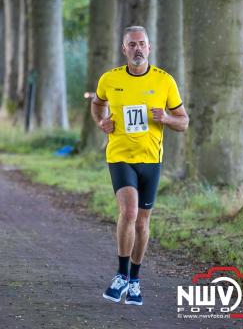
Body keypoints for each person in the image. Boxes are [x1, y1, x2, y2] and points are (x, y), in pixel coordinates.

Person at [91, 26, 189, 306]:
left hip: (151, 160)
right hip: (120, 155)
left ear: (149, 48)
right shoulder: (110, 79)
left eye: (142, 44)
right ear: (124, 49)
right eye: (132, 44)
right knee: (129, 211)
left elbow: (183, 122)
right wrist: (102, 122)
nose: (137, 49)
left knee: (143, 221)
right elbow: (98, 105)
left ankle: (135, 279)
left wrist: (167, 119)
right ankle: (121, 274)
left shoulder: (164, 81)